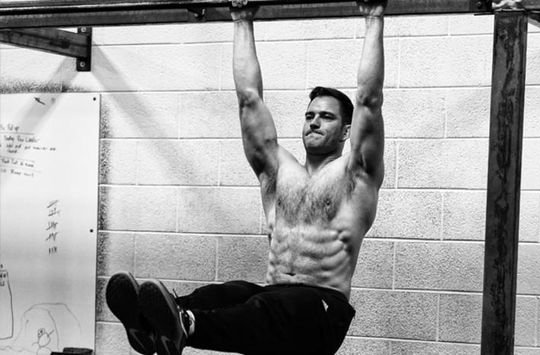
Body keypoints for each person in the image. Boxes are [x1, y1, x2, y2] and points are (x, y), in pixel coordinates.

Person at [105, 0, 386, 354]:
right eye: (309, 114)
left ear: (346, 131)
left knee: (270, 307)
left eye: (326, 117)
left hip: (321, 310)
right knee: (227, 293)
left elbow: (369, 99)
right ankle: (154, 325)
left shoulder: (355, 175)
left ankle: (185, 325)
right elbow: (248, 100)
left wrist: (374, 16)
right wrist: (241, 19)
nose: (314, 121)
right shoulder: (279, 170)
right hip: (274, 297)